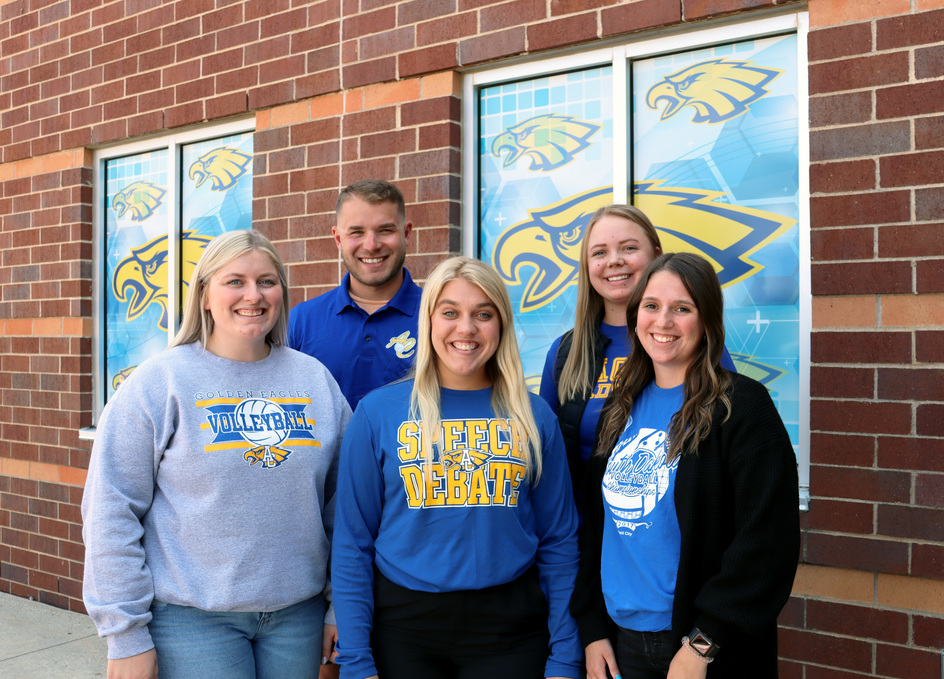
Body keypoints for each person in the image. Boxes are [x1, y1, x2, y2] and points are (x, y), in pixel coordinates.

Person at [82, 230, 351, 679]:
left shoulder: (316, 382)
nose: (253, 294)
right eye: (235, 281)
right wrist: (125, 635)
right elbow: (111, 509)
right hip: (192, 622)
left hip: (296, 620)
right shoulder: (159, 383)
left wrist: (338, 606)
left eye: (267, 281)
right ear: (204, 294)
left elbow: (344, 509)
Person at [331, 257, 582, 679]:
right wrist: (356, 662)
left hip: (511, 630)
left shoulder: (534, 417)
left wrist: (565, 656)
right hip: (404, 630)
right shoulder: (378, 413)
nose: (466, 328)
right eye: (450, 312)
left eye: (483, 314)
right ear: (428, 322)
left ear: (501, 325)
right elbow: (353, 544)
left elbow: (559, 541)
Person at [571, 253, 799, 679]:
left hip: (706, 648)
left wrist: (703, 643)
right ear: (635, 316)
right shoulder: (620, 406)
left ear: (707, 320)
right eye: (652, 306)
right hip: (623, 641)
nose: (663, 321)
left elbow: (769, 542)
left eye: (682, 308)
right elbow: (594, 526)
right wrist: (591, 627)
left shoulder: (742, 408)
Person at [539, 205, 736, 503]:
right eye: (599, 253)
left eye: (629, 248)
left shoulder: (691, 341)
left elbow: (732, 441)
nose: (614, 261)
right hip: (587, 537)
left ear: (657, 256)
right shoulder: (565, 353)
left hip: (678, 534)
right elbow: (548, 460)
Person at [289, 179, 421, 411]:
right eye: (357, 232)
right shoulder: (302, 321)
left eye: (385, 230)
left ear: (406, 233)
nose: (371, 245)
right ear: (338, 239)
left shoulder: (438, 315)